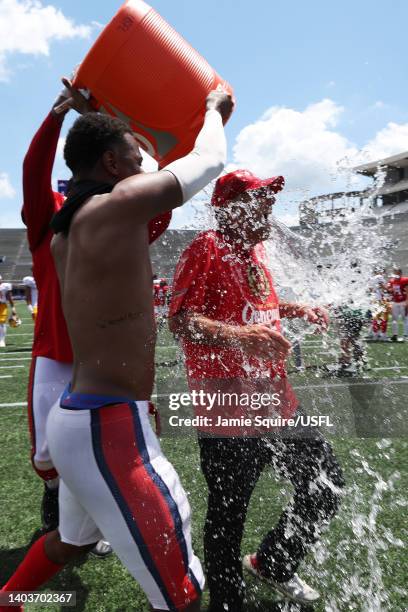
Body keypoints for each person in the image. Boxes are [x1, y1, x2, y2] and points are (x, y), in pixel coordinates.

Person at [0, 88, 233, 612]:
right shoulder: (120, 207)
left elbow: (149, 176)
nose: (142, 161)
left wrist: (106, 123)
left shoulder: (67, 231)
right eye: (134, 152)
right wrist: (214, 109)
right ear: (111, 162)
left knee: (69, 544)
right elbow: (211, 159)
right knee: (183, 597)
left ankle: (8, 602)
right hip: (109, 428)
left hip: (81, 418)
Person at [168, 170, 344, 612]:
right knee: (228, 516)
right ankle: (227, 602)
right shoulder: (205, 247)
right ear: (229, 209)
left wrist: (294, 307)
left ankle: (273, 562)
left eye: (269, 197)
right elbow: (182, 320)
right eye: (258, 198)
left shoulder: (256, 249)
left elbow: (258, 304)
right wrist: (241, 336)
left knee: (327, 486)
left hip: (276, 401)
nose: (268, 205)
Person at [20, 79, 111, 558]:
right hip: (56, 354)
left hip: (98, 357)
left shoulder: (114, 214)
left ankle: (82, 524)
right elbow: (34, 171)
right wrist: (59, 114)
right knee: (46, 455)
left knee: (98, 443)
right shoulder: (47, 217)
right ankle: (56, 510)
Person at [387, 267, 408, 341]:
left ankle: (405, 336)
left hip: (403, 301)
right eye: (395, 272)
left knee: (405, 319)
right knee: (394, 319)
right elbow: (390, 291)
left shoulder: (405, 280)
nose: (396, 274)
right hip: (395, 302)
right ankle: (394, 335)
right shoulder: (392, 281)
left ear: (401, 273)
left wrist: (407, 302)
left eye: (398, 273)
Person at [0, 275, 17, 347]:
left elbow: (9, 297)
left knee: (1, 323)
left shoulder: (5, 286)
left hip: (2, 306)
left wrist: (13, 308)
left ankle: (2, 340)